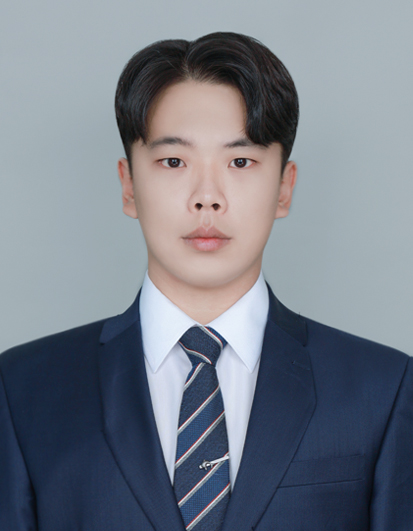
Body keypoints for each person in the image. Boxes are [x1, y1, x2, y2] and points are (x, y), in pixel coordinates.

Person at [0, 31, 412, 531]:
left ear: (284, 188)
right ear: (128, 186)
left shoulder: (382, 389)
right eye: (174, 161)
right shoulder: (23, 389)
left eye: (240, 161)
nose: (207, 197)